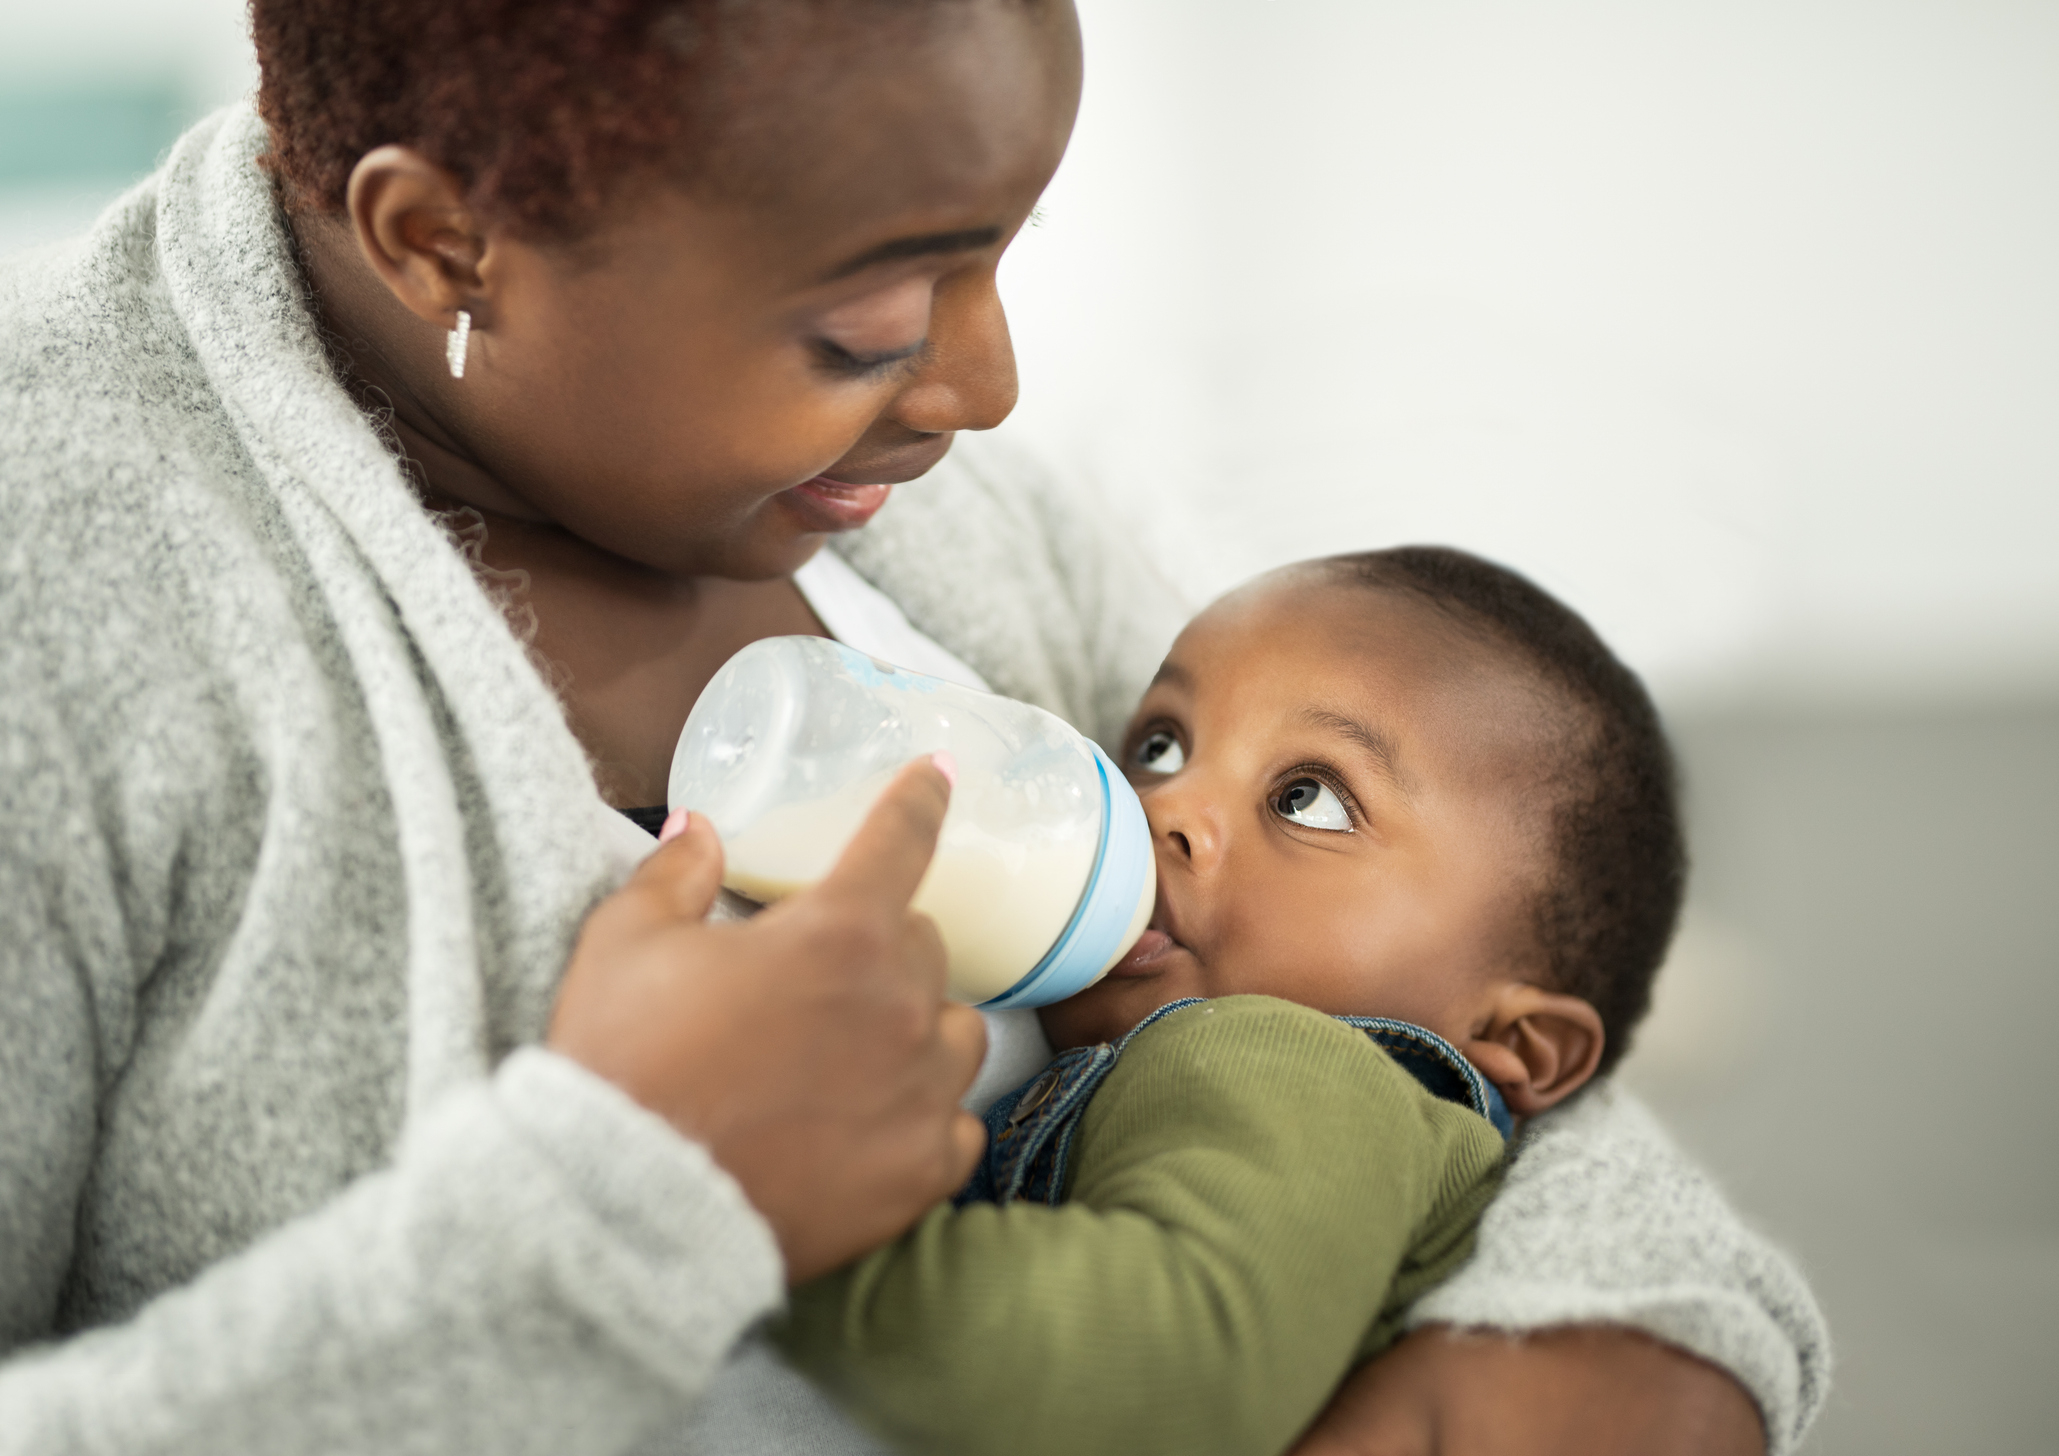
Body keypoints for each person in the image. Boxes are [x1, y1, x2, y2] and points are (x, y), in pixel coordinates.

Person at [0, 2, 1825, 1454]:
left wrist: (1639, 1325)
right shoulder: (70, 613)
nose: (983, 385)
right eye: (867, 316)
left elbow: (1455, 967)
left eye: (1001, 248)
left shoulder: (927, 515)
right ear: (443, 237)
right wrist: (625, 1206)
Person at [771, 546, 1682, 1454]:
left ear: (1514, 1040)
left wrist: (800, 1214)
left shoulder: (1292, 1064)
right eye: (1159, 747)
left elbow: (1151, 1379)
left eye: (1308, 800)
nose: (1160, 808)